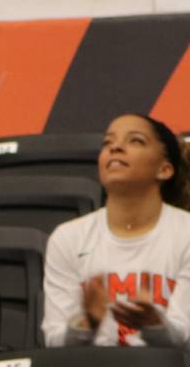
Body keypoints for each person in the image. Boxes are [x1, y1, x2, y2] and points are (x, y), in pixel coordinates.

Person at [42, 114, 190, 348]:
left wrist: (154, 326)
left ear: (164, 169)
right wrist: (86, 324)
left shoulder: (186, 234)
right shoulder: (67, 238)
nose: (116, 148)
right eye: (108, 143)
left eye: (136, 141)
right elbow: (55, 342)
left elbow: (187, 337)